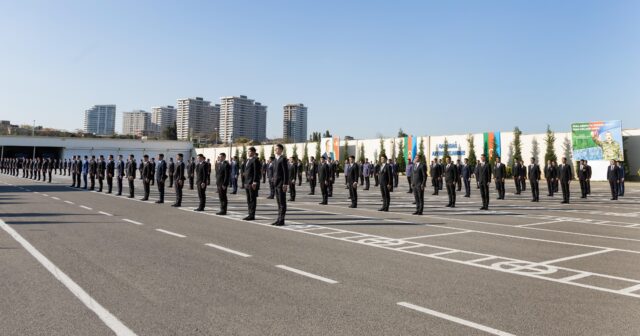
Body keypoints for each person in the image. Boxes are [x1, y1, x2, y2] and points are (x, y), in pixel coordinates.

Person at [272, 144, 289, 226]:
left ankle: (282, 220)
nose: (275, 150)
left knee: (282, 203)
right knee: (278, 203)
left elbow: (286, 172)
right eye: (275, 149)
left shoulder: (283, 159)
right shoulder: (275, 159)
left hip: (281, 184)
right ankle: (278, 219)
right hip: (276, 183)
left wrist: (285, 184)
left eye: (277, 149)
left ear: (281, 150)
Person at [243, 147, 260, 220]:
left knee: (252, 199)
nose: (248, 153)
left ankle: (252, 215)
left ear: (253, 152)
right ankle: (249, 213)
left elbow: (256, 172)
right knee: (248, 199)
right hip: (247, 182)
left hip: (252, 182)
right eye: (248, 151)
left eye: (249, 151)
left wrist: (254, 182)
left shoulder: (255, 160)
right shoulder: (247, 160)